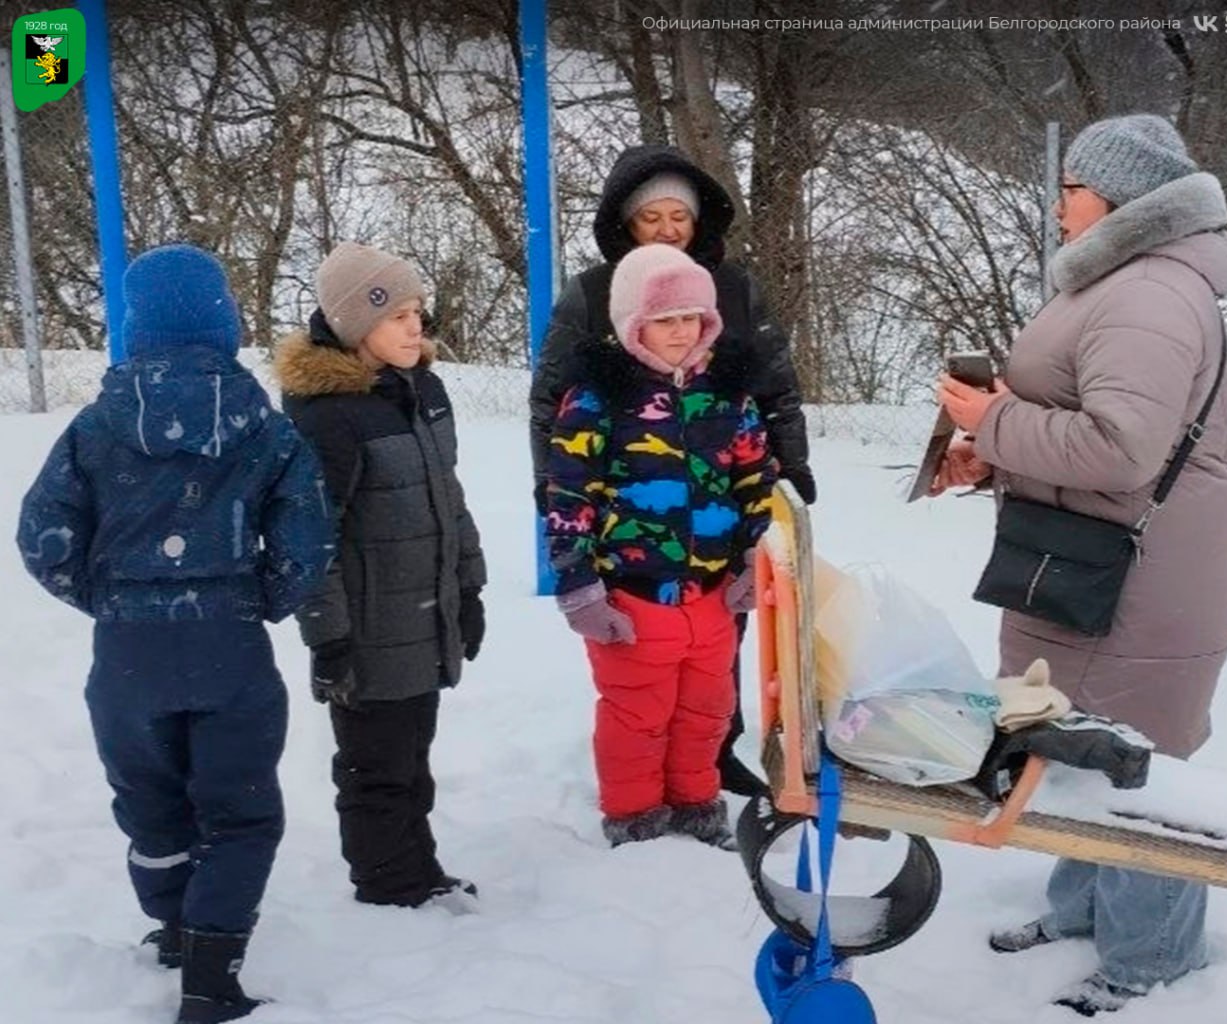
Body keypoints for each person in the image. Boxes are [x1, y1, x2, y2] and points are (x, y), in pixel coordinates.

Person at [932, 114, 1227, 1016]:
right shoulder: (1116, 280)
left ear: (1113, 199)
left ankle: (1152, 958)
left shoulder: (1149, 293)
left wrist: (994, 421)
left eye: (1071, 185)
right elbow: (1080, 421)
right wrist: (996, 453)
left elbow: (1120, 449)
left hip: (1145, 585)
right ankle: (1083, 909)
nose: (1059, 199)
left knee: (1139, 770)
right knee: (1078, 748)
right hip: (1096, 564)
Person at [17, 244, 333, 1024]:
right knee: (241, 809)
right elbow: (309, 534)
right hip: (229, 645)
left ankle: (171, 927)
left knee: (150, 799)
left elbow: (40, 534)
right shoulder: (260, 425)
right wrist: (266, 595)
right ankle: (212, 972)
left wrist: (106, 597)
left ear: (135, 333)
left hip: (128, 655)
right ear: (224, 323)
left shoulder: (95, 428)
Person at [530, 144, 812, 797]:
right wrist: (555, 490)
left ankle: (712, 754)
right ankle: (639, 781)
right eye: (650, 216)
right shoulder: (594, 293)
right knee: (643, 659)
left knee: (717, 639)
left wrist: (789, 462)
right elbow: (551, 402)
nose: (666, 228)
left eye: (677, 216)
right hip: (630, 514)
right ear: (625, 223)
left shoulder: (734, 288)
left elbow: (774, 384)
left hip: (719, 498)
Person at [275, 241, 487, 911]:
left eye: (417, 311)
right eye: (395, 315)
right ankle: (386, 888)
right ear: (351, 325)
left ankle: (416, 868)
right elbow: (312, 538)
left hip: (424, 614)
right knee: (377, 768)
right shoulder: (328, 416)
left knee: (413, 755)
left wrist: (469, 586)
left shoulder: (421, 390)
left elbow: (447, 496)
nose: (413, 327)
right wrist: (329, 638)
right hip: (368, 628)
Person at [545, 242, 778, 848]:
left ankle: (697, 803)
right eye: (665, 319)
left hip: (712, 595)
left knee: (706, 712)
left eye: (691, 318)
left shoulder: (728, 396)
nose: (681, 332)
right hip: (632, 597)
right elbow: (570, 496)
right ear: (632, 323)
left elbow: (755, 480)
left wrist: (757, 557)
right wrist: (579, 586)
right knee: (636, 717)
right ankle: (635, 816)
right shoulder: (598, 399)